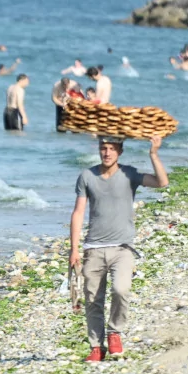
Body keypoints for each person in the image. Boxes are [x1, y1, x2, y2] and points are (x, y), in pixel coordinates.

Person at [69, 136, 168, 362]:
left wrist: (153, 154)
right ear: (98, 150)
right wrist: (74, 249)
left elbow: (162, 182)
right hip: (93, 248)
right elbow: (78, 213)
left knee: (121, 290)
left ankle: (115, 332)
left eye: (112, 149)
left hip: (123, 248)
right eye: (103, 148)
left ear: (120, 151)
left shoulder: (129, 174)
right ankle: (96, 347)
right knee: (93, 300)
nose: (107, 153)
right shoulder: (86, 176)